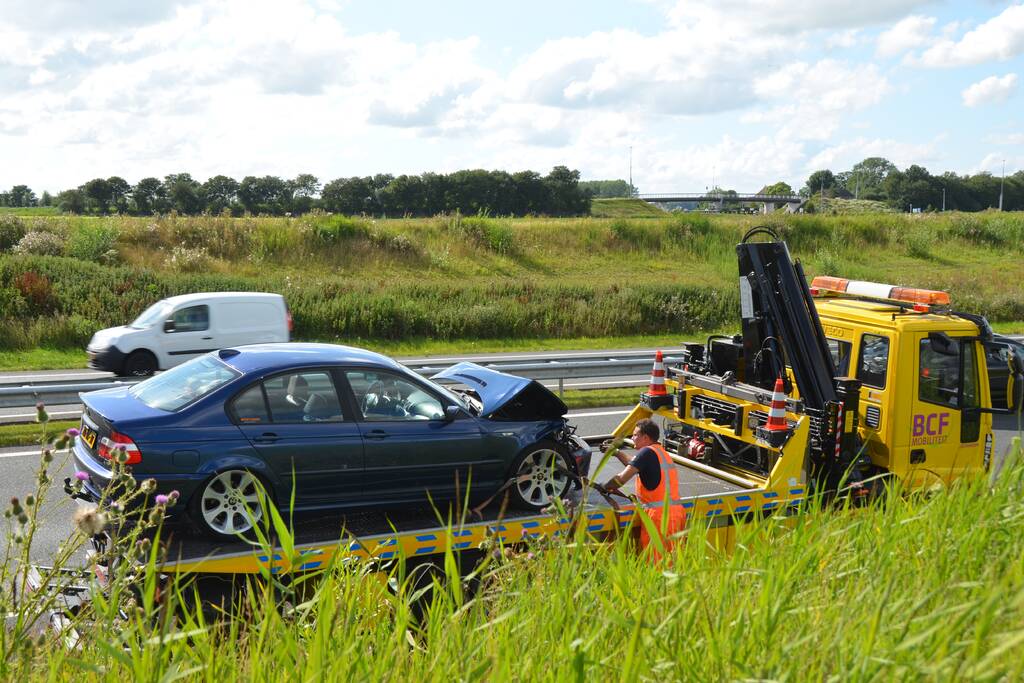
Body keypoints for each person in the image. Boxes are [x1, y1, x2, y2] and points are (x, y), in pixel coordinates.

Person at [601, 418, 686, 561]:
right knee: (673, 559)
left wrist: (604, 486)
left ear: (645, 437)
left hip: (659, 517)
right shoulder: (660, 452)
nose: (632, 438)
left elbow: (621, 479)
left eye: (635, 435)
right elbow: (634, 464)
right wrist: (616, 452)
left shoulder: (646, 452)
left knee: (657, 562)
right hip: (676, 513)